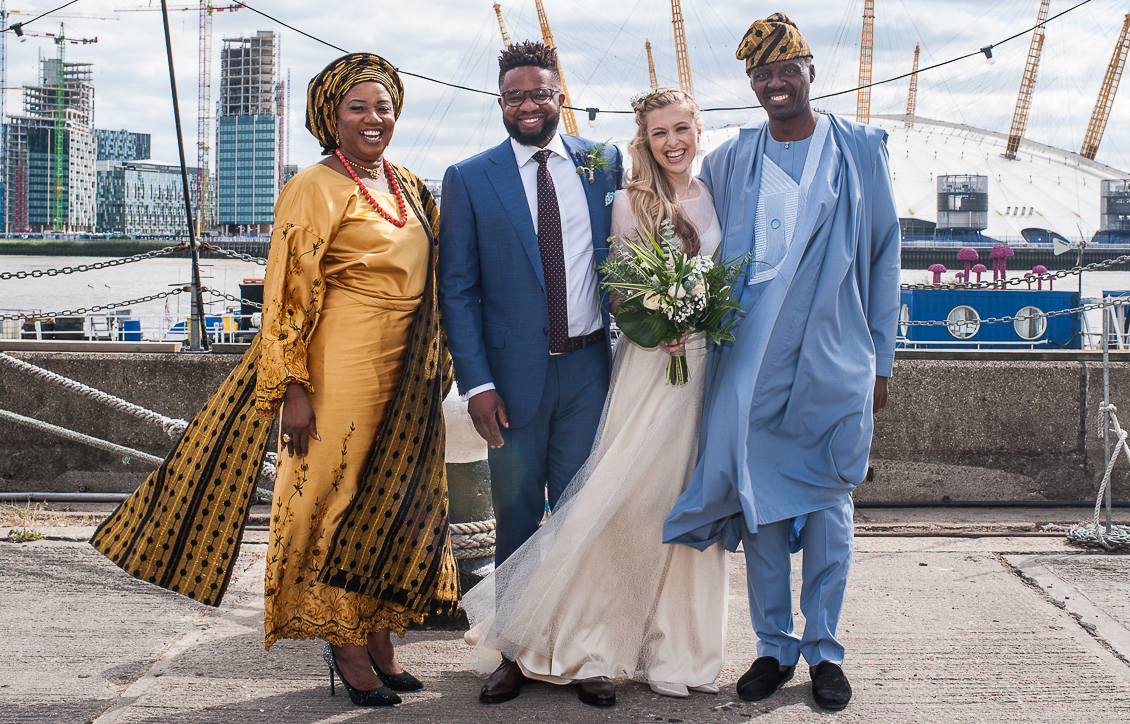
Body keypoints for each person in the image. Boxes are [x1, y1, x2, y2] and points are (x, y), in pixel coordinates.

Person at [92, 53, 459, 709]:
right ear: (331, 117)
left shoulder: (407, 183)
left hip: (405, 369)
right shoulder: (312, 187)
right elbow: (288, 293)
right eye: (359, 108)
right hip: (339, 364)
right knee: (334, 492)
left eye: (384, 107)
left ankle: (378, 630)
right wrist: (292, 386)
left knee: (394, 497)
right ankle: (340, 639)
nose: (376, 119)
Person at [663, 14, 901, 711]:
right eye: (761, 74)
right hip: (749, 362)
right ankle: (773, 647)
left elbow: (886, 254)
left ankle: (825, 649)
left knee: (829, 503)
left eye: (785, 69)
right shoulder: (731, 159)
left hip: (835, 358)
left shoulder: (859, 149)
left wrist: (881, 358)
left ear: (809, 73)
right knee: (760, 508)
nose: (774, 82)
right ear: (752, 83)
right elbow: (689, 230)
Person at [461, 87, 729, 699]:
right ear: (644, 140)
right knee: (608, 505)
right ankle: (561, 643)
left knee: (687, 505)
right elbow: (613, 285)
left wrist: (701, 315)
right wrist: (655, 317)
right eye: (660, 133)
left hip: (696, 372)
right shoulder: (627, 196)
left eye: (682, 128)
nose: (673, 142)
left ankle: (677, 649)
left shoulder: (703, 190)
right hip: (643, 366)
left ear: (697, 128)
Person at [439, 41, 622, 706]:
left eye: (539, 92)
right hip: (511, 387)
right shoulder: (468, 176)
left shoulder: (604, 162)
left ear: (559, 95)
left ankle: (585, 651)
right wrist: (477, 385)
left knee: (582, 516)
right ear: (500, 103)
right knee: (516, 517)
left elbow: (626, 254)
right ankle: (513, 651)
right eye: (515, 95)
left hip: (588, 373)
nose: (528, 104)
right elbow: (456, 290)